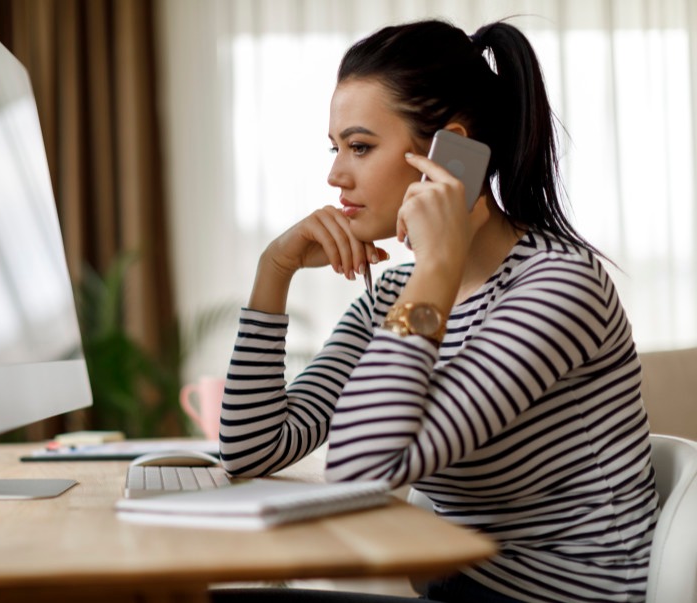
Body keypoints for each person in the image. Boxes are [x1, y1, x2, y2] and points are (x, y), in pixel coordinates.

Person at [214, 18, 659, 603]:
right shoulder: (396, 295)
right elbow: (254, 446)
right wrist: (274, 270)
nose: (335, 174)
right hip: (460, 588)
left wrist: (435, 267)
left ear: (450, 152)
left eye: (360, 146)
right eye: (336, 148)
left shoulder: (559, 285)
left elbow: (360, 469)